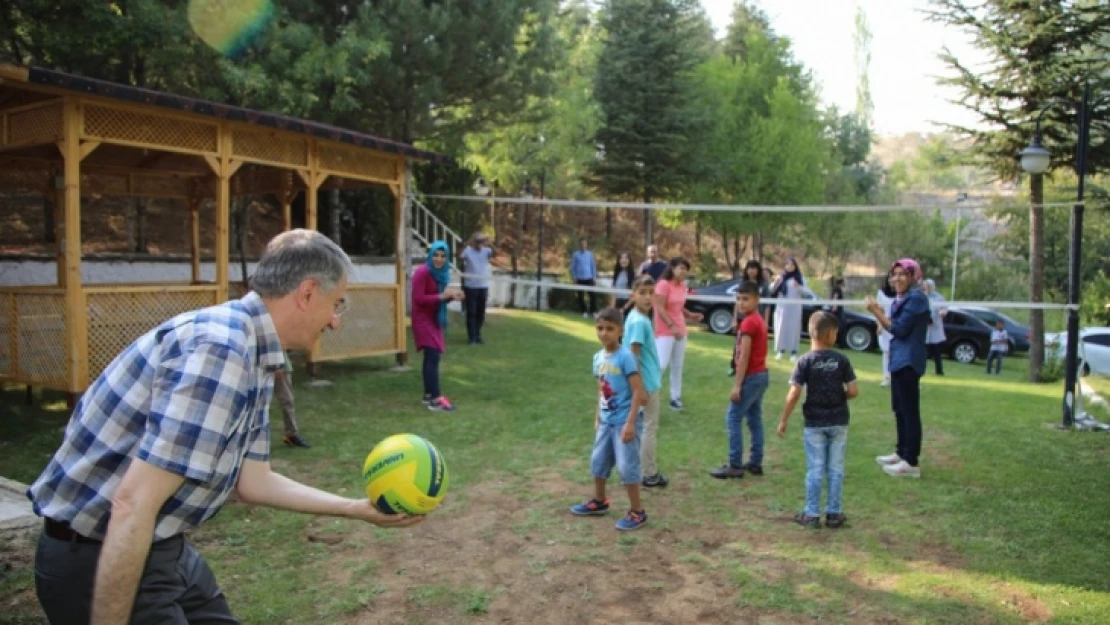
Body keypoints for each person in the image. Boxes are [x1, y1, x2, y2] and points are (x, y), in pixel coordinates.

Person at [25, 229, 423, 625]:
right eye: (336, 304)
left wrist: (357, 509)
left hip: (161, 546)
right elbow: (133, 503)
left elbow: (255, 482)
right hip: (100, 555)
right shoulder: (223, 351)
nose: (336, 321)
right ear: (306, 293)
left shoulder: (256, 352)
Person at [777, 312, 859, 529]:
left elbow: (794, 394)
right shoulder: (842, 360)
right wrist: (841, 395)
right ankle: (834, 513)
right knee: (835, 468)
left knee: (815, 469)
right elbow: (853, 390)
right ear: (831, 334)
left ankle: (812, 514)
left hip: (814, 423)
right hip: (839, 421)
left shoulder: (805, 361)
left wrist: (783, 420)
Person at [570, 307, 649, 531]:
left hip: (624, 421)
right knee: (598, 461)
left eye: (610, 329)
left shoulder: (626, 357)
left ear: (621, 331)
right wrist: (598, 416)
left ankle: (637, 512)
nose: (604, 333)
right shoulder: (598, 358)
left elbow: (638, 392)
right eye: (600, 328)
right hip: (606, 420)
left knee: (627, 467)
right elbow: (601, 389)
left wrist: (631, 423)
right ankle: (599, 501)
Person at [867, 258, 930, 479]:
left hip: (909, 360)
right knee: (900, 409)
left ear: (914, 276)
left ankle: (910, 461)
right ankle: (901, 452)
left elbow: (900, 330)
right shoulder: (902, 299)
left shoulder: (917, 298)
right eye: (894, 274)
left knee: (910, 411)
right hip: (898, 359)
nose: (896, 279)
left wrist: (876, 312)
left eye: (902, 274)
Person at [711, 281, 770, 479]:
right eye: (738, 299)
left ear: (756, 299)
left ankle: (735, 464)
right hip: (761, 375)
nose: (741, 303)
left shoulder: (750, 322)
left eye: (746, 299)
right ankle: (755, 462)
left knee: (733, 417)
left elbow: (744, 356)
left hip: (752, 376)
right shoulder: (757, 320)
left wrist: (737, 385)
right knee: (754, 418)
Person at [624, 276, 666, 488]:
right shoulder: (639, 321)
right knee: (649, 427)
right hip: (646, 384)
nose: (648, 297)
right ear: (634, 296)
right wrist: (639, 388)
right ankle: (649, 474)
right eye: (643, 293)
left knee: (641, 427)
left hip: (645, 382)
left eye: (651, 292)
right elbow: (634, 355)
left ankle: (636, 468)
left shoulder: (634, 317)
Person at [412, 241, 465, 412]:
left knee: (432, 357)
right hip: (422, 318)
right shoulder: (422, 272)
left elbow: (439, 298)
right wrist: (442, 296)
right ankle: (435, 399)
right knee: (433, 355)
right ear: (430, 255)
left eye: (443, 256)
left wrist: (452, 297)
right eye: (436, 255)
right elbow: (419, 299)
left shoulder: (441, 274)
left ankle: (428, 396)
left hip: (434, 318)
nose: (439, 259)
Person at [653, 257, 704, 411]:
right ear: (672, 268)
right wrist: (671, 326)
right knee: (661, 365)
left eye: (686, 269)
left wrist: (691, 315)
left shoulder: (682, 286)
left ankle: (675, 398)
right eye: (681, 268)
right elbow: (660, 307)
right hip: (665, 331)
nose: (684, 272)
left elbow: (679, 307)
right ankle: (647, 396)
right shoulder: (663, 285)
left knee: (677, 365)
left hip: (680, 330)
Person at [727, 260, 771, 377]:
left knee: (755, 346)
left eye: (754, 268)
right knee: (739, 345)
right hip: (743, 319)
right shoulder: (742, 283)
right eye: (749, 268)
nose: (751, 270)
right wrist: (735, 319)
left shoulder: (763, 285)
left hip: (757, 320)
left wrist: (765, 321)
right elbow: (736, 303)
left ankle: (753, 368)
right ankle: (735, 366)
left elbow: (767, 305)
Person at [771, 257, 811, 362]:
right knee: (781, 328)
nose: (789, 267)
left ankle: (794, 352)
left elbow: (807, 293)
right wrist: (775, 282)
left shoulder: (799, 278)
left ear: (795, 266)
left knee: (794, 329)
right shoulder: (782, 277)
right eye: (787, 264)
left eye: (792, 265)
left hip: (794, 308)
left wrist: (799, 287)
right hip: (782, 307)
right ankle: (780, 351)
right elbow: (772, 290)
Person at [459, 232, 494, 345]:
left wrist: (489, 243)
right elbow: (458, 255)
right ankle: (471, 337)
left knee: (480, 312)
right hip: (471, 287)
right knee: (471, 312)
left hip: (483, 286)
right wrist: (468, 243)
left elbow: (495, 253)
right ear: (474, 242)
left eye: (482, 241)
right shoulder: (468, 250)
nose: (480, 244)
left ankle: (478, 335)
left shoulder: (486, 251)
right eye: (478, 241)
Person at [275, 351, 310, 448]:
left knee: (287, 400)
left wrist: (278, 366)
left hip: (280, 364)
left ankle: (291, 435)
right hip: (259, 364)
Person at [922, 279, 947, 375]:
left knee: (936, 352)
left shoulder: (939, 297)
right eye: (925, 286)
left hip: (935, 327)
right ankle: (921, 370)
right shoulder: (922, 296)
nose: (926, 288)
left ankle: (939, 371)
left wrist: (943, 312)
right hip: (924, 328)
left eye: (928, 286)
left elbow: (944, 308)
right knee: (923, 352)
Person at [570, 237, 599, 318]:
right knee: (580, 296)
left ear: (586, 245)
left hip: (589, 278)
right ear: (579, 245)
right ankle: (584, 311)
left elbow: (593, 266)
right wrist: (574, 278)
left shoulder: (590, 254)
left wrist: (594, 277)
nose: (583, 245)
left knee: (592, 295)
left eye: (585, 244)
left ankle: (594, 311)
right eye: (582, 244)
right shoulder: (576, 255)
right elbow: (573, 267)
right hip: (579, 278)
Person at [876, 277, 896, 387]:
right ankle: (887, 377)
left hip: (897, 324)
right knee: (886, 352)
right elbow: (879, 310)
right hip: (885, 325)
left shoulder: (902, 293)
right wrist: (879, 324)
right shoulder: (881, 293)